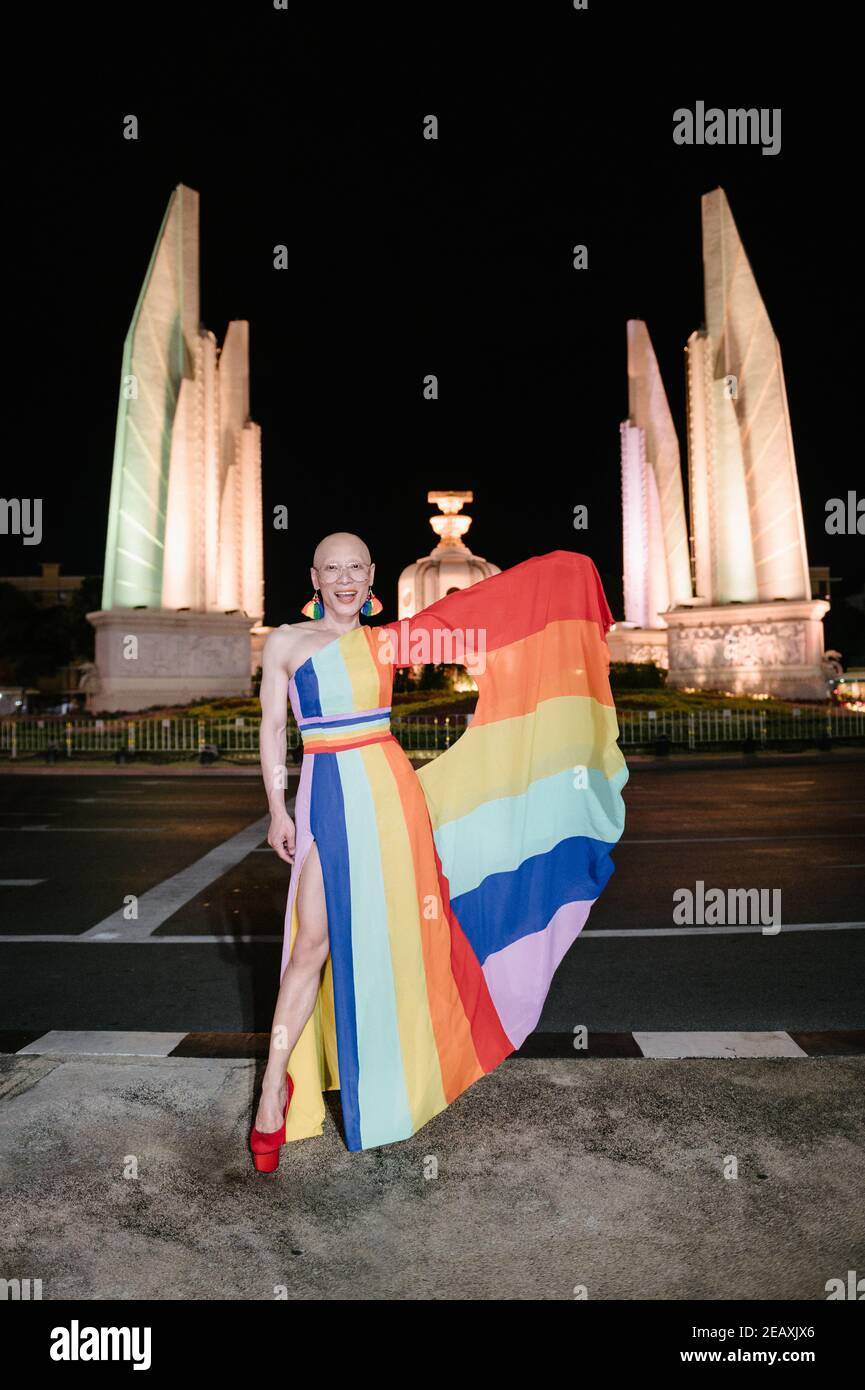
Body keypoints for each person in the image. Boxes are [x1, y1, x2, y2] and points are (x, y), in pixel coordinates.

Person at [250, 532, 627, 1167]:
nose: (345, 579)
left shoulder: (390, 641)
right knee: (310, 947)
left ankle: (393, 1088)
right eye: (332, 568)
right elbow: (271, 728)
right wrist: (276, 808)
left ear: (372, 575)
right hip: (328, 801)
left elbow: (486, 615)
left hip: (392, 800)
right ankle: (271, 1089)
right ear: (314, 576)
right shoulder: (285, 642)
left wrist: (561, 578)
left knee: (397, 946)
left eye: (355, 568)